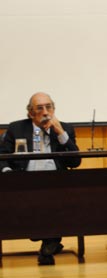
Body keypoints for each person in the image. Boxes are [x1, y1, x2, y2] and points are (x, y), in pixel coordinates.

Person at [0, 92, 81, 265]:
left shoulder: (65, 128)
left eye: (49, 107)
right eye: (40, 108)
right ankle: (48, 242)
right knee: (36, 208)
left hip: (56, 182)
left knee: (57, 202)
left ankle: (48, 246)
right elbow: (2, 156)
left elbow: (75, 161)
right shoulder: (16, 128)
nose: (46, 112)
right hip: (25, 182)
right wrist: (8, 173)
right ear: (30, 113)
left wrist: (60, 132)